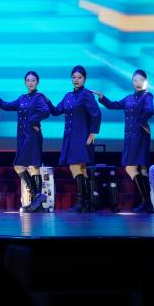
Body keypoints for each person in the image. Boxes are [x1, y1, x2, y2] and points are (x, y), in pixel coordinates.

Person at [93, 69, 154, 212]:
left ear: (145, 81)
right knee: (141, 169)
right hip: (129, 137)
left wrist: (141, 122)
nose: (138, 83)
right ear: (132, 82)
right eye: (135, 80)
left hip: (140, 136)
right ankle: (148, 204)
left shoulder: (147, 96)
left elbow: (149, 110)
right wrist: (102, 97)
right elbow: (113, 105)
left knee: (131, 168)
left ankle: (146, 202)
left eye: (141, 80)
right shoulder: (129, 98)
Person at [0, 71, 52, 212]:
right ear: (25, 82)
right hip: (23, 136)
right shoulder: (22, 98)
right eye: (28, 80)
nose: (30, 83)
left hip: (33, 136)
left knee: (30, 165)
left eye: (33, 80)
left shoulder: (39, 97)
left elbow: (46, 111)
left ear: (37, 82)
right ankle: (38, 199)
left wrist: (33, 121)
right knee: (25, 166)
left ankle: (36, 198)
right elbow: (7, 106)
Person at [48, 65, 102, 213]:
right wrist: (47, 101)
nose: (76, 80)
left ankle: (80, 202)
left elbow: (96, 114)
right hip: (70, 136)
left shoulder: (86, 94)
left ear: (85, 79)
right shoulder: (68, 96)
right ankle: (87, 203)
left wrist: (93, 133)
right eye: (74, 77)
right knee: (81, 169)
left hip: (82, 136)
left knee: (75, 166)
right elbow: (56, 111)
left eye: (79, 77)